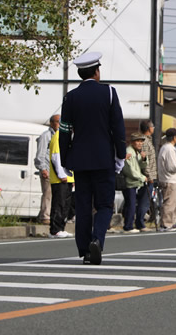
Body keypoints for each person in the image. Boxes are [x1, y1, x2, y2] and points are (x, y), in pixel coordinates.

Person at [59, 51, 126, 265]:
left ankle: (85, 251)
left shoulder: (70, 97)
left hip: (79, 160)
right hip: (104, 158)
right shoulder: (109, 93)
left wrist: (64, 159)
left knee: (83, 206)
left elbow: (64, 131)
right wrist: (121, 154)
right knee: (105, 204)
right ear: (97, 72)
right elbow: (118, 127)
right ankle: (97, 240)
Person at [121, 132, 150, 234]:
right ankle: (128, 226)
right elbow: (129, 170)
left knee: (131, 204)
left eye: (141, 141)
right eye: (138, 141)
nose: (140, 143)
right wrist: (142, 177)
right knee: (131, 204)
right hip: (129, 182)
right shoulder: (129, 152)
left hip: (134, 182)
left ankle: (129, 224)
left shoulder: (136, 152)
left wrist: (144, 159)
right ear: (132, 142)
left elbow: (141, 166)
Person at [157, 128, 176, 232]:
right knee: (170, 202)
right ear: (174, 138)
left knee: (168, 201)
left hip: (165, 178)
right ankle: (166, 224)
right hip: (170, 179)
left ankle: (166, 223)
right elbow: (171, 167)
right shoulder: (170, 149)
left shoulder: (165, 147)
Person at [48, 125, 74, 238]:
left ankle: (61, 228)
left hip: (68, 177)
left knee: (65, 205)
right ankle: (54, 230)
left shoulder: (67, 137)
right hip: (60, 179)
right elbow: (56, 157)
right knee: (59, 204)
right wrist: (61, 174)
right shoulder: (58, 136)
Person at [34, 114, 59, 225]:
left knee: (55, 194)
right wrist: (43, 168)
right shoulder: (46, 136)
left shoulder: (59, 135)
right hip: (48, 169)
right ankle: (45, 216)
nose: (60, 124)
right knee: (48, 193)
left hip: (56, 171)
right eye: (58, 122)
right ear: (52, 123)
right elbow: (40, 154)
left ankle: (45, 215)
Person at [138, 120, 157, 223]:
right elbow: (145, 161)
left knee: (146, 200)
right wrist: (149, 176)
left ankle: (140, 221)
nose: (153, 128)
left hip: (150, 175)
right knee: (144, 201)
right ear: (149, 128)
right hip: (147, 177)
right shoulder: (145, 141)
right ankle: (140, 222)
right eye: (152, 126)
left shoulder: (148, 140)